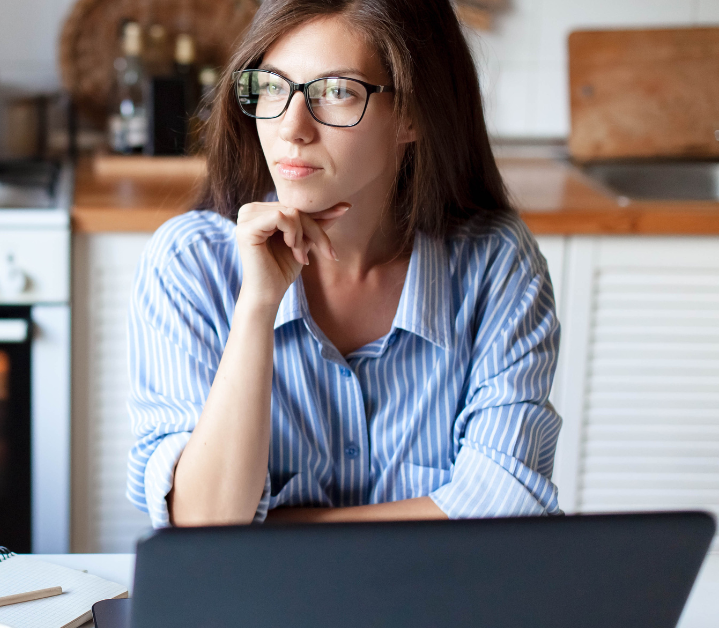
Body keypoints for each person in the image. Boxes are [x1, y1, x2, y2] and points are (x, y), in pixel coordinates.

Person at [126, 0, 562, 528]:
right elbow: (203, 524)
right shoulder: (190, 263)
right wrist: (257, 308)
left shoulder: (495, 265)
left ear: (413, 114)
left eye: (336, 92)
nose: (291, 127)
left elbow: (507, 505)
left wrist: (274, 532)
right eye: (272, 86)